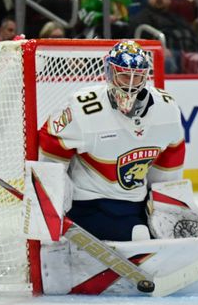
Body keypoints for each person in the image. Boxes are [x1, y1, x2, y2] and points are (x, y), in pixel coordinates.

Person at [38, 40, 190, 242]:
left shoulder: (167, 109)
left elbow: (171, 158)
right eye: (125, 75)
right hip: (90, 204)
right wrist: (52, 206)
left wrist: (165, 204)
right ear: (109, 72)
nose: (130, 84)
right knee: (140, 236)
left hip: (135, 202)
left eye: (137, 77)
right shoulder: (83, 108)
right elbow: (50, 147)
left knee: (177, 231)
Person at [130, 0, 198, 74]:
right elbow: (137, 42)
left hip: (185, 53)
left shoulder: (177, 18)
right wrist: (159, 48)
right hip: (156, 55)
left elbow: (191, 35)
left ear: (169, 0)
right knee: (167, 61)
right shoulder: (141, 18)